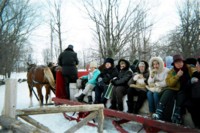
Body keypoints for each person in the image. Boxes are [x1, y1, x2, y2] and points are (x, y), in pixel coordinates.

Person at [152, 54, 195, 124]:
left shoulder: (189, 68)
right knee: (168, 91)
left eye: (180, 62)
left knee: (182, 94)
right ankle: (159, 111)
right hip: (175, 89)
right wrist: (177, 76)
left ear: (183, 62)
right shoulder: (171, 71)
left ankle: (177, 114)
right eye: (177, 62)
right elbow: (169, 83)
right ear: (174, 64)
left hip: (187, 90)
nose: (179, 64)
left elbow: (195, 71)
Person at [185, 58, 200, 128]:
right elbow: (187, 86)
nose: (196, 66)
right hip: (193, 99)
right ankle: (197, 126)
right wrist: (190, 81)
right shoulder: (195, 73)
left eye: (197, 64)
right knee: (190, 105)